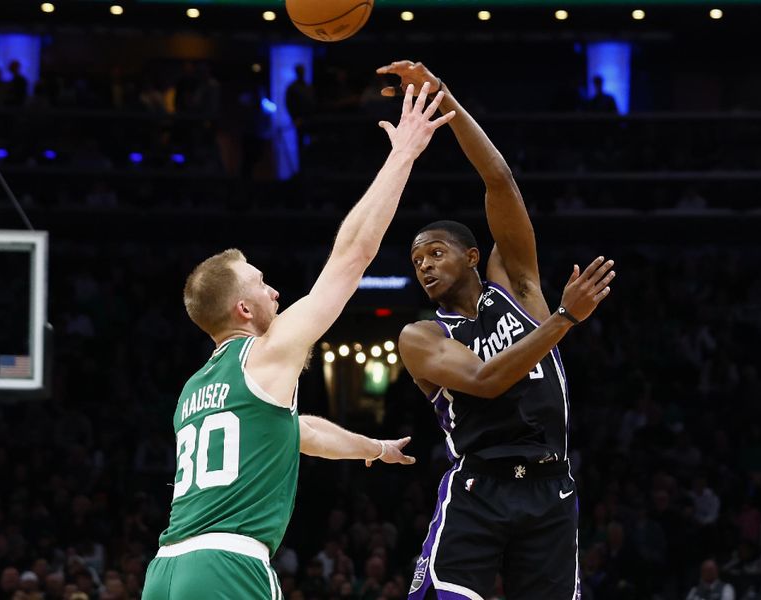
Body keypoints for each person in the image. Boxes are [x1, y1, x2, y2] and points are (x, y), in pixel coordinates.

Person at [141, 81, 456, 600]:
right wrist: (403, 155)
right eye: (262, 284)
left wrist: (372, 449)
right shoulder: (265, 352)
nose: (275, 291)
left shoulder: (194, 390)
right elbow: (351, 256)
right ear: (242, 310)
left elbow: (293, 432)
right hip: (228, 564)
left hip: (166, 571)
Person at [376, 60, 616, 600]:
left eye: (435, 253)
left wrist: (445, 97)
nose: (426, 266)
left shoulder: (519, 288)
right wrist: (564, 318)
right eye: (417, 262)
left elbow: (498, 179)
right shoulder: (421, 336)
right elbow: (485, 381)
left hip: (551, 485)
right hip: (478, 489)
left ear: (472, 255)